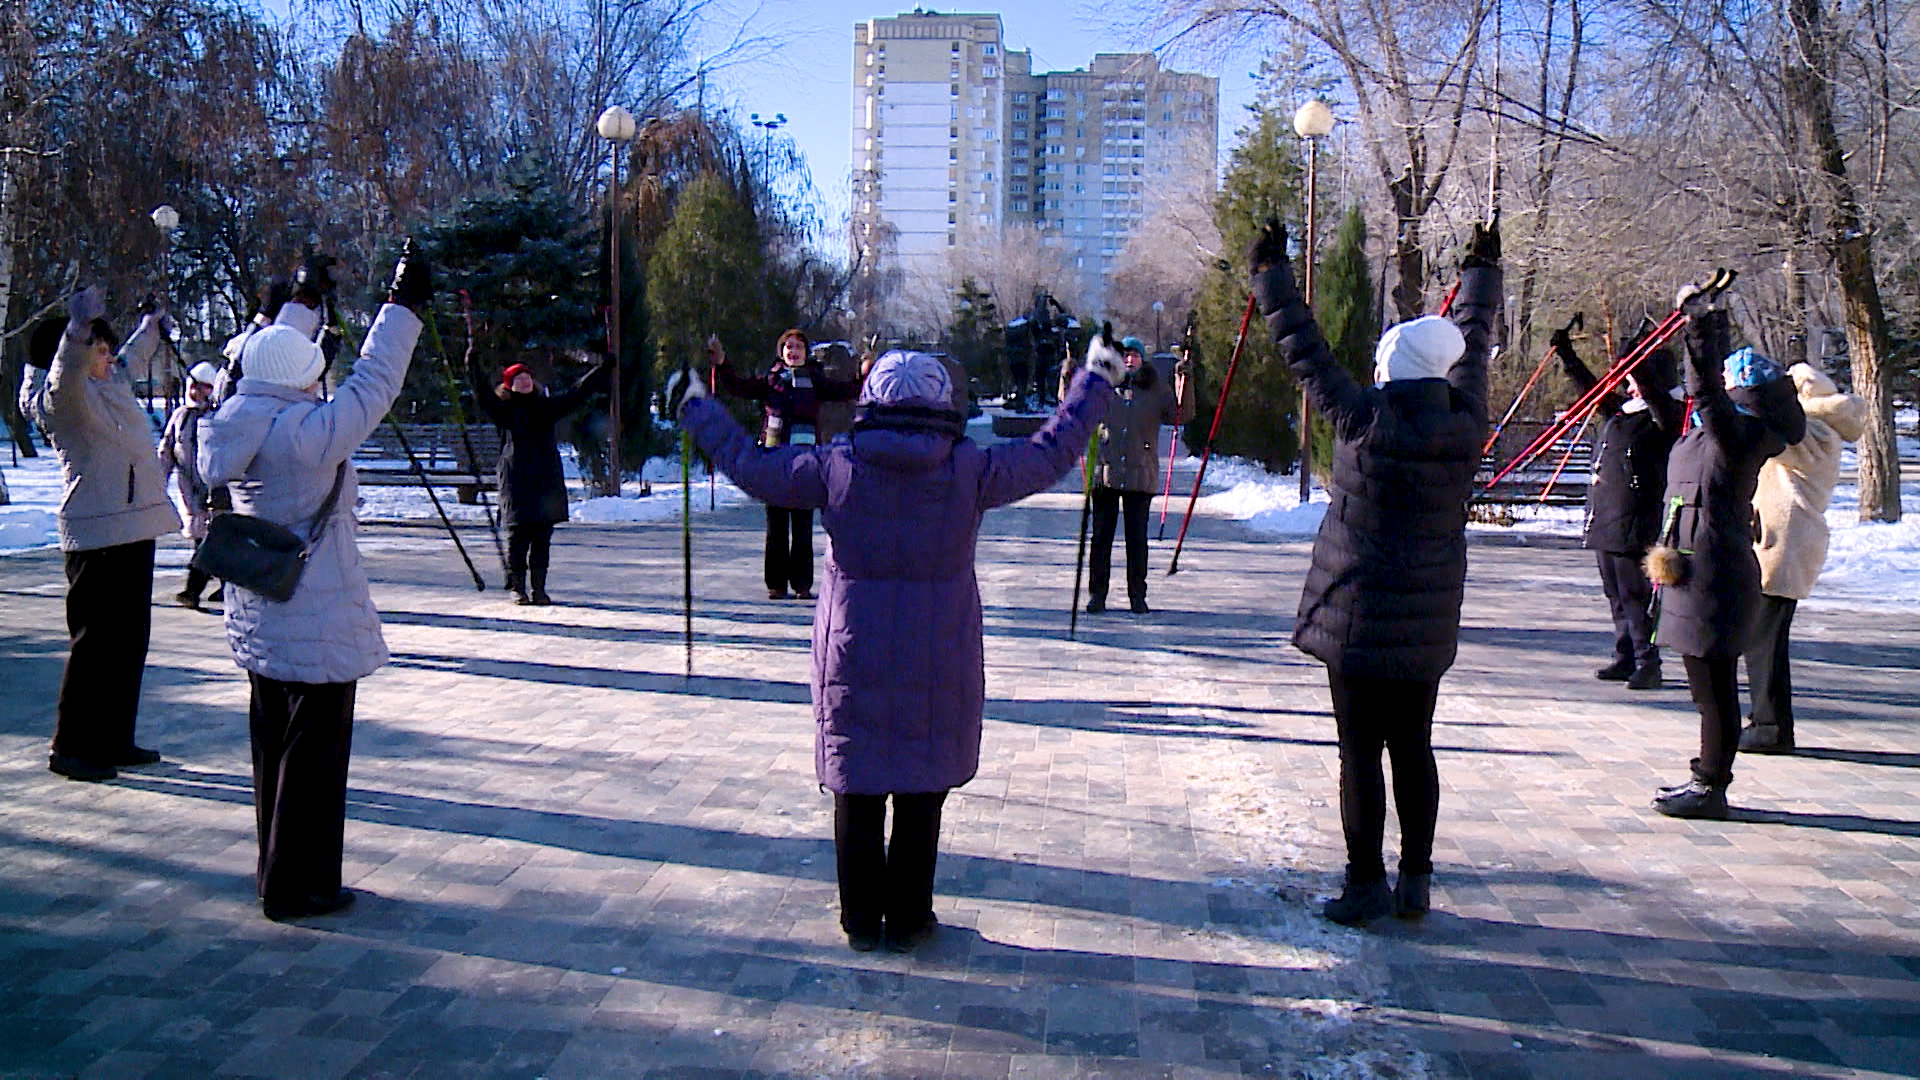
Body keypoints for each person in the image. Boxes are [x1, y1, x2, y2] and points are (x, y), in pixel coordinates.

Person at [675, 338, 1124, 952]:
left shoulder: (836, 465)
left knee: (857, 787)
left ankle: (861, 921)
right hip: (940, 653)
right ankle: (910, 919)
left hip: (851, 652)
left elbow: (754, 469)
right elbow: (1052, 452)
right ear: (943, 404)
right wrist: (1095, 380)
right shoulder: (969, 467)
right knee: (921, 786)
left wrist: (698, 408)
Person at [1252, 216, 1503, 926]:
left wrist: (1270, 271)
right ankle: (1416, 882)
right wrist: (1482, 275)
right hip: (1426, 620)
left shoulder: (1363, 417)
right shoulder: (1466, 419)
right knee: (1414, 745)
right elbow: (1474, 340)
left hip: (1357, 616)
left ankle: (1365, 884)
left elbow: (1305, 351)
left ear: (1388, 370)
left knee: (1359, 750)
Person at [198, 243, 432, 921]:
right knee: (315, 758)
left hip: (261, 612)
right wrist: (403, 304)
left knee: (273, 744)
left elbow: (263, 357)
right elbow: (374, 383)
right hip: (316, 613)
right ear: (303, 377)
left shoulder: (234, 417)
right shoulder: (307, 432)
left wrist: (300, 304)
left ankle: (277, 869)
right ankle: (301, 887)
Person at [1643, 294, 1806, 820]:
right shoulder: (1713, 431)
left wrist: (1701, 331)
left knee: (1713, 692)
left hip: (1716, 575)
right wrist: (1686, 332)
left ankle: (1711, 785)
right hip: (1694, 571)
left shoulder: (1741, 435)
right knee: (1704, 690)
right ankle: (1706, 778)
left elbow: (1706, 394)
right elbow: (1682, 406)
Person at [20, 289, 182, 782]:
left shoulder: (110, 384)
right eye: (100, 349)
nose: (110, 358)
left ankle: (113, 738)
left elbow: (134, 353)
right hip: (96, 535)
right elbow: (66, 374)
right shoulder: (62, 402)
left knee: (128, 642)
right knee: (94, 647)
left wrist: (152, 323)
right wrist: (76, 332)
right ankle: (71, 747)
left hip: (134, 527)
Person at [1739, 361, 1865, 754]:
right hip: (1777, 542)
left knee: (1767, 642)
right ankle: (1765, 719)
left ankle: (1771, 726)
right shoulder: (1816, 429)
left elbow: (1777, 435)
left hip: (1787, 546)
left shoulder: (1817, 432)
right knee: (1759, 640)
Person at [1555, 325, 1685, 690]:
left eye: (1633, 379)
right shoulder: (1625, 412)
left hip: (1637, 520)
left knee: (1635, 596)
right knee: (1615, 595)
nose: (1628, 386)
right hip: (1606, 519)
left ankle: (1648, 660)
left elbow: (1653, 391)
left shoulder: (1667, 413)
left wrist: (1636, 358)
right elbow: (1595, 394)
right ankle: (1625, 654)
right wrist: (1569, 357)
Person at [710, 328, 861, 600]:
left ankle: (802, 584)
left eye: (798, 347)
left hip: (806, 461)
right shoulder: (771, 380)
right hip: (773, 460)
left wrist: (865, 372)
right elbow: (738, 387)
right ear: (781, 352)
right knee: (776, 524)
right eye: (788, 347)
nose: (793, 352)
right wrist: (722, 363)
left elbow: (847, 390)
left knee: (802, 523)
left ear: (805, 353)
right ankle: (776, 584)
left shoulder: (815, 380)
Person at [1060, 335, 1194, 614]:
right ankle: (1097, 595)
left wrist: (1187, 381)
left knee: (1136, 541)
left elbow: (1182, 414)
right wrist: (1067, 373)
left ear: (1142, 359)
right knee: (1101, 539)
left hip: (1140, 475)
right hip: (1105, 473)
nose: (1130, 360)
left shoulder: (1156, 389)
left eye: (1135, 355)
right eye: (1125, 355)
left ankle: (1137, 596)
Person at [469, 352, 609, 604]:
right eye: (518, 378)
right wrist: (473, 365)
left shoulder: (546, 407)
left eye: (527, 377)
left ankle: (539, 588)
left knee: (542, 536)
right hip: (517, 478)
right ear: (509, 385)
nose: (524, 381)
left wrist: (601, 370)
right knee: (518, 535)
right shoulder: (504, 410)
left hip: (545, 477)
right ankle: (518, 588)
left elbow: (577, 393)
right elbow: (483, 396)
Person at [158, 362, 223, 608]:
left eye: (204, 387)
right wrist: (157, 482)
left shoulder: (218, 416)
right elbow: (167, 450)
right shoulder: (181, 417)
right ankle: (227, 586)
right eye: (195, 386)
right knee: (207, 540)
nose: (198, 392)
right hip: (191, 491)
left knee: (209, 542)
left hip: (216, 492)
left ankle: (192, 590)